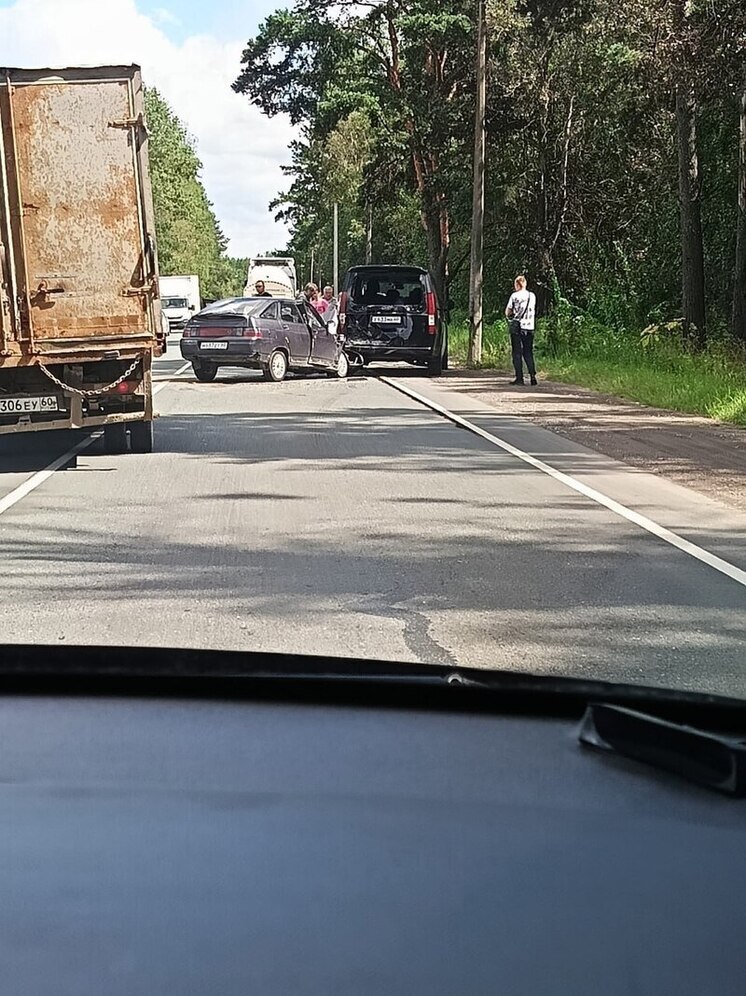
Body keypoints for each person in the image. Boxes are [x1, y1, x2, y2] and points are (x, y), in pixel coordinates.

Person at [505, 275, 537, 386]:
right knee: (528, 352)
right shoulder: (532, 296)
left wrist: (513, 312)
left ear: (518, 284)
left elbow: (508, 312)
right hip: (530, 327)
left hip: (518, 327)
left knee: (517, 352)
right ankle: (533, 376)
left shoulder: (514, 296)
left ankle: (519, 378)